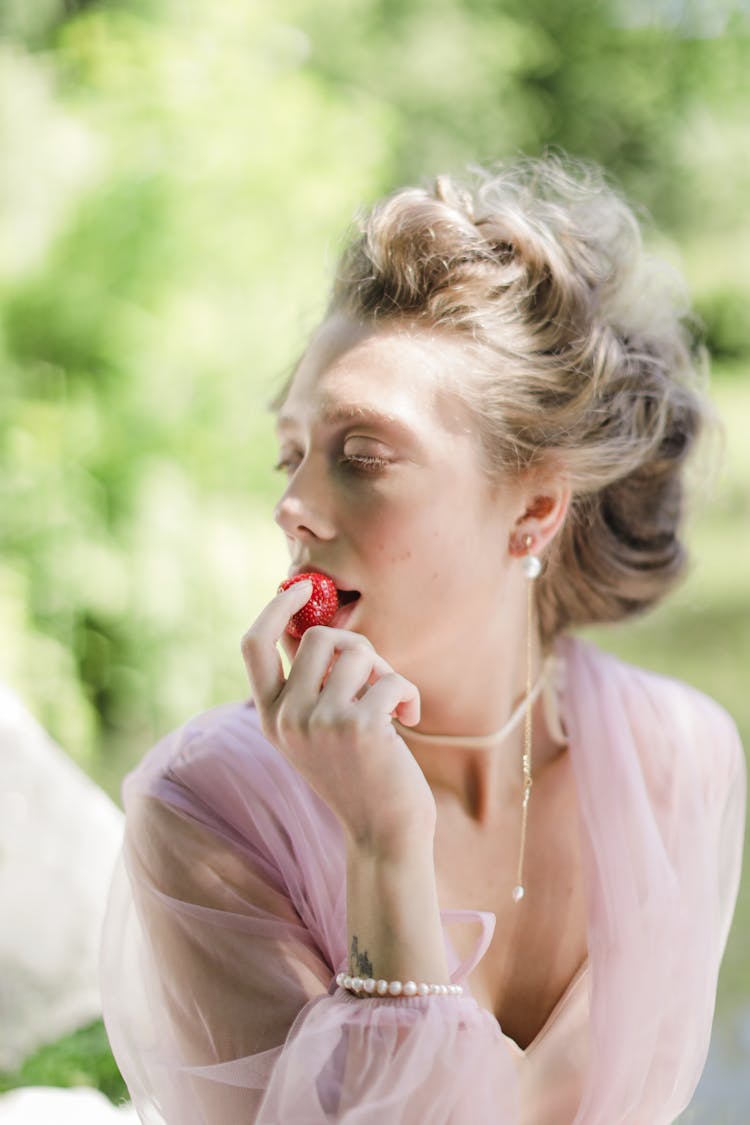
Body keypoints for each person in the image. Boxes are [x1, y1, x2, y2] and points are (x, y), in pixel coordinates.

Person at [100, 156, 745, 1124]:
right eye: (293, 454)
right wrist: (380, 847)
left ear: (531, 512)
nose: (293, 507)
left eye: (362, 456)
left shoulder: (676, 761)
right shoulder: (204, 813)